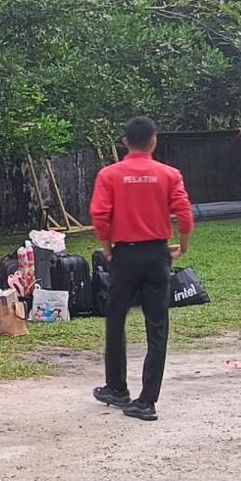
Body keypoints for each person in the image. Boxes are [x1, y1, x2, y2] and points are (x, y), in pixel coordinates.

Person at [90, 116, 194, 422]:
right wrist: (183, 247)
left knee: (116, 318)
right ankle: (147, 400)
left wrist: (108, 249)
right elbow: (184, 214)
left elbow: (99, 215)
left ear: (125, 142)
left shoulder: (110, 175)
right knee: (157, 325)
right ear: (153, 141)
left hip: (124, 254)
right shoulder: (169, 174)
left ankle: (116, 387)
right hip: (157, 254)